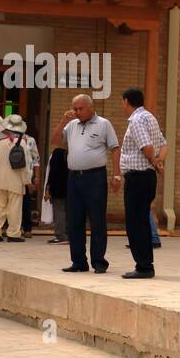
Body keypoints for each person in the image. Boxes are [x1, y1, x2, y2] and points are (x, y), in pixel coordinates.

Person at [52, 93, 120, 274]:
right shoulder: (72, 125)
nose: (77, 112)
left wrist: (117, 175)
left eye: (80, 108)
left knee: (97, 219)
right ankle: (78, 261)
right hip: (74, 178)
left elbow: (115, 149)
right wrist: (62, 121)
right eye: (75, 108)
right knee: (74, 220)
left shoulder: (104, 124)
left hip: (95, 177)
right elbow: (56, 141)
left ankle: (98, 261)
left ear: (91, 107)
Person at [118, 87, 166, 279]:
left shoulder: (136, 120)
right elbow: (163, 144)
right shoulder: (149, 117)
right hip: (146, 177)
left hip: (138, 177)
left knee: (135, 223)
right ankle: (145, 264)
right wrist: (159, 162)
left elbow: (147, 147)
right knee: (142, 222)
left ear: (126, 101)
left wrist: (154, 162)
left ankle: (144, 266)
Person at [0, 120, 33, 243]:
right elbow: (26, 165)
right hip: (15, 180)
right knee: (15, 208)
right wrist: (27, 181)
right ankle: (13, 234)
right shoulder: (22, 142)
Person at [4, 115, 39, 239]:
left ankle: (27, 228)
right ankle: (9, 228)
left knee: (26, 203)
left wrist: (36, 178)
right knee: (9, 202)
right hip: (10, 174)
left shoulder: (30, 140)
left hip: (26, 175)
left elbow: (35, 160)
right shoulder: (6, 139)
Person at [45, 144, 68, 244]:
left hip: (58, 188)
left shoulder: (57, 153)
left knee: (59, 211)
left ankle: (61, 235)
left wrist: (48, 188)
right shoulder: (72, 152)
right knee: (67, 211)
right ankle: (69, 234)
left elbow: (53, 172)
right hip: (70, 187)